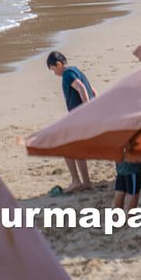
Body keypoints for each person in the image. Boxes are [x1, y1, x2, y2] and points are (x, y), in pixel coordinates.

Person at [47, 52, 93, 192]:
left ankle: (77, 181)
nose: (54, 72)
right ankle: (84, 182)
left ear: (58, 64)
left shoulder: (68, 75)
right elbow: (92, 89)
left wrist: (86, 109)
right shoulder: (76, 70)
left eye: (53, 69)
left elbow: (81, 88)